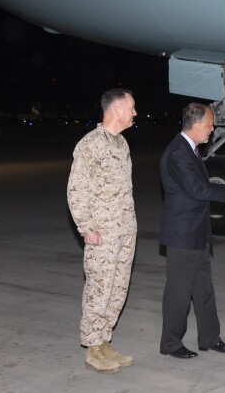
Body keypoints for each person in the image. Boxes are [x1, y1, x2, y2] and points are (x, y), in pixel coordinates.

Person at [159, 102, 225, 359]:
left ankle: (210, 338)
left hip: (197, 231)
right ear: (196, 125)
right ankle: (171, 343)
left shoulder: (191, 150)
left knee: (203, 289)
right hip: (183, 234)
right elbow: (198, 190)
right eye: (209, 125)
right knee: (179, 292)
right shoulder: (178, 152)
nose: (212, 129)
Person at [66, 88, 138, 374]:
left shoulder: (121, 144)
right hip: (102, 234)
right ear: (117, 109)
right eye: (132, 107)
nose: (135, 112)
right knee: (99, 290)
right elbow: (76, 190)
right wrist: (86, 228)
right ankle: (93, 348)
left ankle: (105, 342)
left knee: (118, 289)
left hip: (124, 231)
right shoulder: (90, 144)